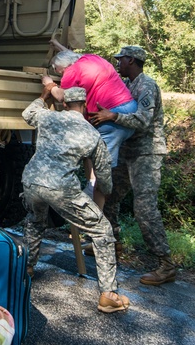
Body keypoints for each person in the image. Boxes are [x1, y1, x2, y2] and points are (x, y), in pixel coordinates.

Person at [21, 86, 130, 313]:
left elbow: (27, 113)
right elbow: (103, 175)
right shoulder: (92, 133)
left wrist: (43, 96)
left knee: (35, 220)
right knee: (102, 231)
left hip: (31, 181)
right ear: (86, 105)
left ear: (63, 104)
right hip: (61, 188)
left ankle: (27, 268)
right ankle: (109, 295)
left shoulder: (47, 116)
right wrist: (106, 191)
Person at [92, 45, 177, 286]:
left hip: (146, 153)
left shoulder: (146, 85)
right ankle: (113, 244)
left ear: (131, 60)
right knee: (108, 194)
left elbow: (142, 120)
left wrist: (113, 117)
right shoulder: (126, 85)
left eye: (121, 59)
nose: (118, 63)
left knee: (144, 208)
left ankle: (166, 264)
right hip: (128, 149)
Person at [42, 41, 137, 168]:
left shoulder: (71, 72)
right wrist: (57, 45)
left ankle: (96, 187)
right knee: (96, 158)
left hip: (109, 120)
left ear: (64, 67)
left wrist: (49, 84)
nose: (60, 74)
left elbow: (61, 96)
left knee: (102, 165)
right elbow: (72, 55)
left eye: (59, 72)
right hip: (130, 111)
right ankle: (93, 186)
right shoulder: (92, 58)